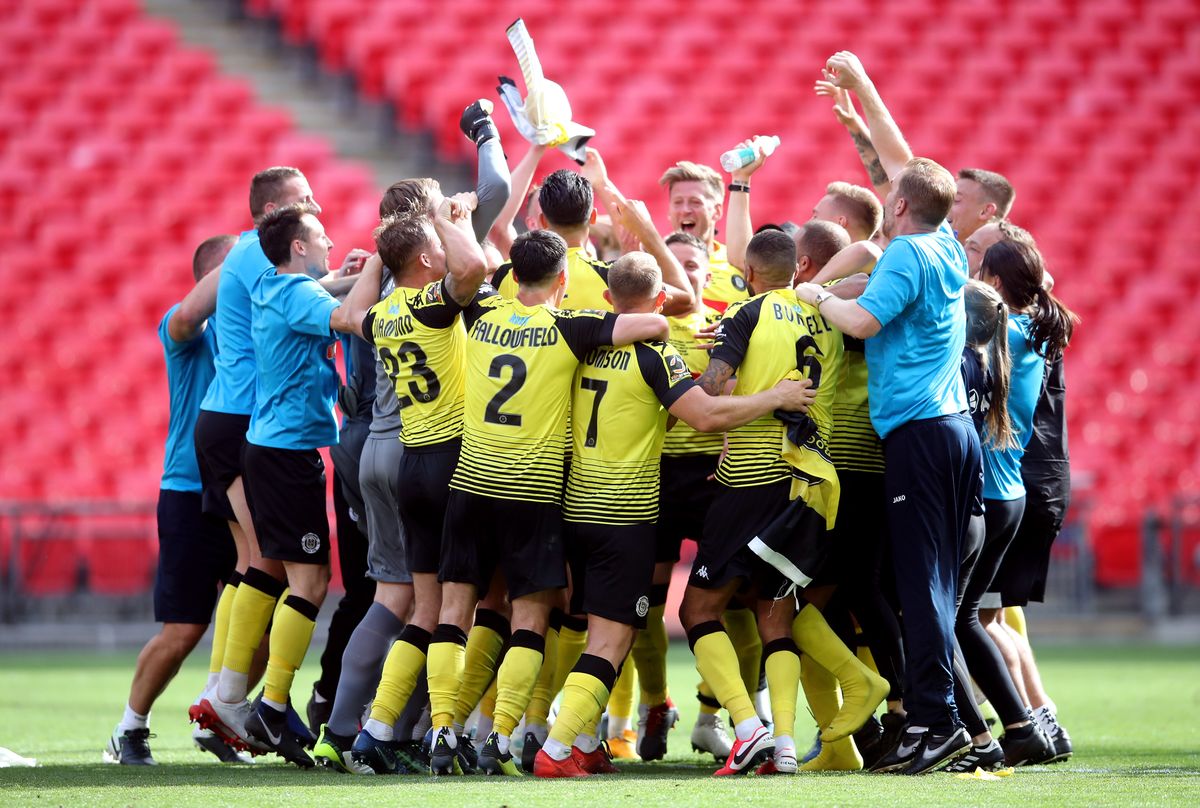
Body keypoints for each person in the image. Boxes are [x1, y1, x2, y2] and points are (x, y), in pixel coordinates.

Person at [533, 252, 817, 778]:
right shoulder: (654, 355)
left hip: (575, 509)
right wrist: (774, 395)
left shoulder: (577, 345)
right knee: (612, 639)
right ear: (660, 300)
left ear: (607, 299)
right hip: (626, 514)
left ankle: (587, 742)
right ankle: (554, 751)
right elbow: (706, 416)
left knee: (592, 631)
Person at [795, 50, 983, 775]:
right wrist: (863, 89)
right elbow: (908, 163)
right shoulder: (945, 244)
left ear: (899, 206)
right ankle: (951, 726)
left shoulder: (906, 253)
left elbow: (863, 324)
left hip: (919, 432)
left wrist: (818, 298)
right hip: (952, 428)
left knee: (920, 584)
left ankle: (934, 723)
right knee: (929, 582)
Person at [426, 230, 671, 776]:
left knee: (452, 613)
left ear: (513, 276)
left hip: (468, 486)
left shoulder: (482, 312)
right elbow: (653, 323)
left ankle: (443, 729)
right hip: (530, 495)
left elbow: (470, 266)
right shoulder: (570, 328)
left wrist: (454, 218)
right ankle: (501, 739)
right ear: (564, 279)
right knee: (529, 620)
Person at [679, 229, 884, 777]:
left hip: (751, 479)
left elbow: (712, 393)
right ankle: (787, 745)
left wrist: (697, 365)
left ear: (748, 272)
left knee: (697, 609)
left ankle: (747, 728)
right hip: (812, 479)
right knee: (774, 610)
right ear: (799, 270)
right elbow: (868, 262)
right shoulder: (833, 315)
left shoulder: (746, 314)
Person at [191, 168, 362, 751]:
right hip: (262, 429)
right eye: (304, 204)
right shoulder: (275, 275)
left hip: (245, 425)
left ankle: (229, 695)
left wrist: (340, 278)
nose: (317, 209)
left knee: (258, 564)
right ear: (276, 218)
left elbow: (301, 293)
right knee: (283, 570)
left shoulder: (254, 265)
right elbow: (321, 308)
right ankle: (244, 700)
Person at [105, 235, 243, 766]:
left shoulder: (249, 332)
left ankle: (218, 718)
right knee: (185, 628)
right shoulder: (186, 327)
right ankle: (129, 728)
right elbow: (186, 319)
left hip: (241, 488)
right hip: (188, 490)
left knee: (260, 620)